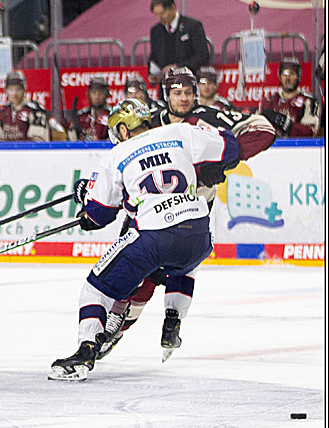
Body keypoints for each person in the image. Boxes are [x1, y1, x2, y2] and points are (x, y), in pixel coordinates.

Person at [49, 99, 240, 381]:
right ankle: (173, 318)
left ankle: (86, 351)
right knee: (184, 262)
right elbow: (231, 147)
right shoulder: (179, 132)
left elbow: (100, 214)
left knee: (95, 289)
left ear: (124, 130)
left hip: (153, 233)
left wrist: (86, 197)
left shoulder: (117, 154)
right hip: (199, 231)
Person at [98, 67, 276, 358]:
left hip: (190, 211)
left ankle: (169, 321)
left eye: (189, 92)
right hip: (148, 209)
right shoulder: (149, 121)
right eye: (177, 93)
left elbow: (263, 131)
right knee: (141, 273)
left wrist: (221, 163)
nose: (184, 99)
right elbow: (123, 153)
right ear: (166, 95)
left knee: (177, 263)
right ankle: (116, 326)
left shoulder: (210, 117)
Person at [147, 0, 210, 87]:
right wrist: (152, 74)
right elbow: (154, 57)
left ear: (173, 8)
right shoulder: (156, 31)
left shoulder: (192, 26)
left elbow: (202, 55)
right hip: (166, 86)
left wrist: (177, 67)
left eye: (162, 13)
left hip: (188, 83)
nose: (160, 18)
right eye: (156, 14)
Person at [259, 58, 320, 138]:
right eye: (285, 73)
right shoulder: (269, 101)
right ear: (280, 76)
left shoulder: (308, 101)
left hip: (297, 148)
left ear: (299, 77)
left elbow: (311, 132)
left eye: (292, 73)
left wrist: (288, 125)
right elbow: (258, 129)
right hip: (273, 147)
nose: (288, 78)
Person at [0, 71, 50, 141]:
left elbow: (37, 142)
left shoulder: (35, 111)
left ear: (24, 90)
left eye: (18, 89)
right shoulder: (2, 112)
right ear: (6, 91)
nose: (14, 93)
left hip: (28, 151)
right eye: (11, 89)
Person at [70, 75, 111, 141]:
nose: (97, 97)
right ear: (89, 93)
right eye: (94, 93)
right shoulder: (81, 116)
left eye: (100, 93)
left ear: (107, 94)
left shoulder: (112, 115)